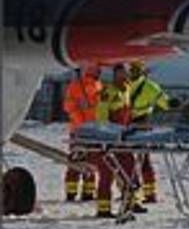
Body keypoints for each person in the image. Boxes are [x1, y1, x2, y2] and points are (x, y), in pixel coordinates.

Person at [128, 59, 180, 203]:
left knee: (140, 159)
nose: (133, 72)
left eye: (135, 69)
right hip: (130, 122)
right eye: (132, 69)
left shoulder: (148, 86)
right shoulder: (130, 84)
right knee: (132, 159)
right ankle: (136, 191)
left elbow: (162, 100)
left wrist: (170, 104)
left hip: (140, 122)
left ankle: (145, 192)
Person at [95, 63, 139, 218]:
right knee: (107, 173)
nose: (123, 76)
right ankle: (103, 208)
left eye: (125, 73)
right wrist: (105, 136)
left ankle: (130, 204)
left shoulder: (127, 89)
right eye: (119, 73)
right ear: (114, 75)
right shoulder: (108, 91)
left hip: (124, 137)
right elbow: (101, 115)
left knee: (130, 169)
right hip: (111, 138)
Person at [62, 64, 102, 201]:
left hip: (94, 131)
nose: (99, 72)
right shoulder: (75, 86)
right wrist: (81, 124)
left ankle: (88, 192)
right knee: (75, 160)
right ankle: (71, 192)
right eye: (96, 69)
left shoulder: (99, 86)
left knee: (92, 161)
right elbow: (69, 107)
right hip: (79, 131)